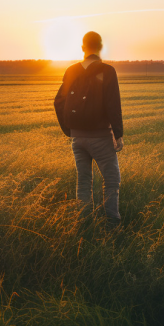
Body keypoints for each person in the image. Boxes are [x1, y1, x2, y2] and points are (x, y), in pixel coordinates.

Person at [54, 31, 124, 228]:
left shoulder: (71, 71)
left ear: (83, 48)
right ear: (100, 47)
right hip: (101, 137)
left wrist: (69, 130)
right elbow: (113, 104)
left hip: (77, 138)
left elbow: (58, 101)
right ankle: (112, 226)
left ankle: (83, 224)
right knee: (111, 181)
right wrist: (118, 134)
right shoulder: (107, 71)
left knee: (83, 182)